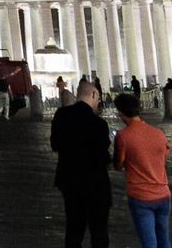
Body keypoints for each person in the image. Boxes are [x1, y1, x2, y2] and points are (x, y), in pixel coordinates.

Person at [50, 79, 111, 248]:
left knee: (73, 232)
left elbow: (55, 144)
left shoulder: (61, 115)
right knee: (99, 233)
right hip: (95, 185)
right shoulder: (99, 124)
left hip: (69, 182)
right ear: (93, 94)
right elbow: (103, 157)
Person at [113, 92, 171, 248]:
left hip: (140, 197)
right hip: (163, 194)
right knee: (164, 240)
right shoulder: (159, 133)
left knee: (149, 243)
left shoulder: (123, 136)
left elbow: (118, 165)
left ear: (121, 113)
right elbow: (163, 158)